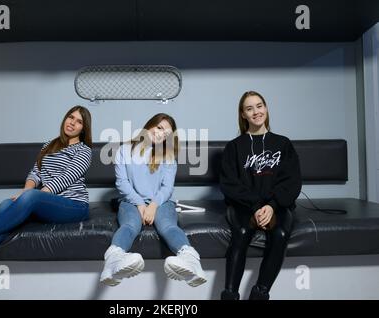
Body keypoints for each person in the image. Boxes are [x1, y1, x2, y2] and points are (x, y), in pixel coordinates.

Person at [0, 106, 93, 280]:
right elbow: (36, 173)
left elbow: (67, 177)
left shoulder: (84, 150)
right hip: (49, 202)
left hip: (74, 206)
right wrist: (26, 191)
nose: (72, 123)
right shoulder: (49, 145)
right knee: (7, 204)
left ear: (84, 128)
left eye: (79, 121)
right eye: (70, 117)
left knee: (31, 197)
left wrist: (36, 196)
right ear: (65, 118)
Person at [100, 113, 207, 287]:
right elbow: (122, 182)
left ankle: (191, 261)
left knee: (168, 226)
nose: (161, 134)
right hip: (131, 201)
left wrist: (153, 206)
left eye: (167, 134)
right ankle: (113, 261)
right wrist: (140, 204)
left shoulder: (168, 155)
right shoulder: (125, 150)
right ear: (150, 125)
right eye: (159, 128)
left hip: (161, 202)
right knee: (130, 226)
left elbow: (167, 188)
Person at [219, 91, 301, 300]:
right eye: (249, 108)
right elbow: (230, 185)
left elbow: (292, 182)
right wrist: (255, 206)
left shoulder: (283, 144)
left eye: (259, 106)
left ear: (266, 108)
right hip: (244, 206)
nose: (256, 112)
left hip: (277, 206)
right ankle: (230, 295)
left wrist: (272, 205)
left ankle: (259, 294)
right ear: (243, 115)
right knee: (243, 232)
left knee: (280, 234)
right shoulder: (234, 147)